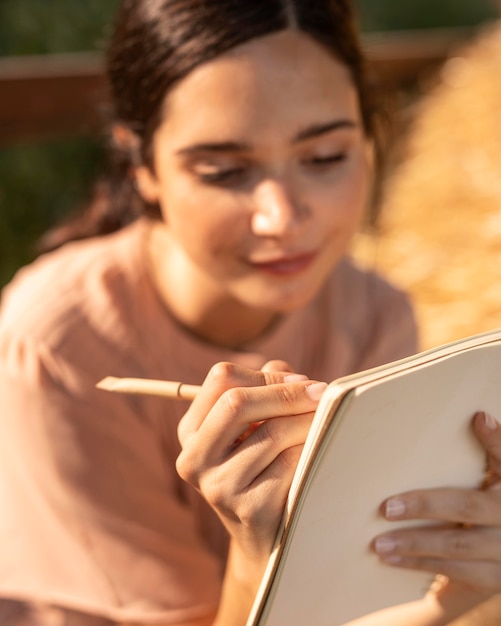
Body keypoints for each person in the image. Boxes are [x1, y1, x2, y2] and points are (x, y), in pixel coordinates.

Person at [0, 1, 500, 624]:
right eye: (225, 171)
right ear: (142, 166)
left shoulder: (374, 311)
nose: (282, 218)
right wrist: (260, 556)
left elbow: (359, 599)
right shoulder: (58, 344)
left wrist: (452, 593)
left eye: (324, 158)